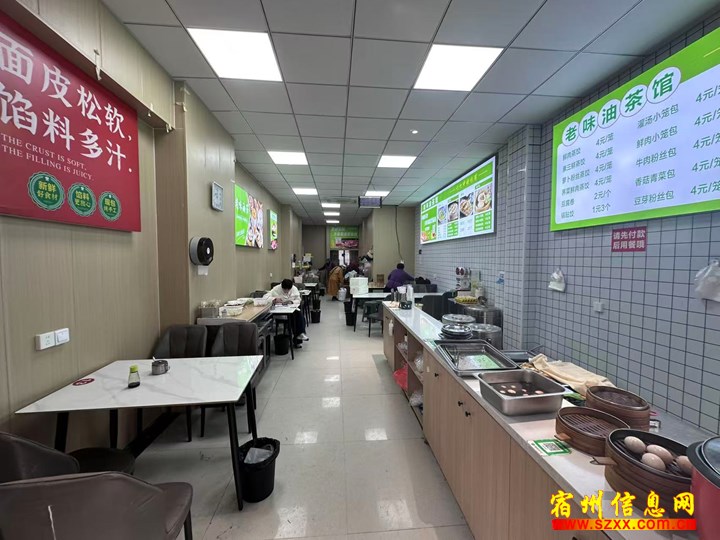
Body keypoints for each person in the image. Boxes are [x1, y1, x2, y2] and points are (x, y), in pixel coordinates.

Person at [265, 279, 309, 346]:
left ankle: (300, 335)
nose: (286, 291)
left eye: (288, 290)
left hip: (291, 309)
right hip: (279, 311)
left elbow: (298, 300)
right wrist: (274, 299)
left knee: (299, 315)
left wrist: (291, 302)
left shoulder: (294, 289)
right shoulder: (276, 289)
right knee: (294, 318)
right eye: (285, 290)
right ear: (281, 287)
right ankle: (297, 339)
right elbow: (265, 297)